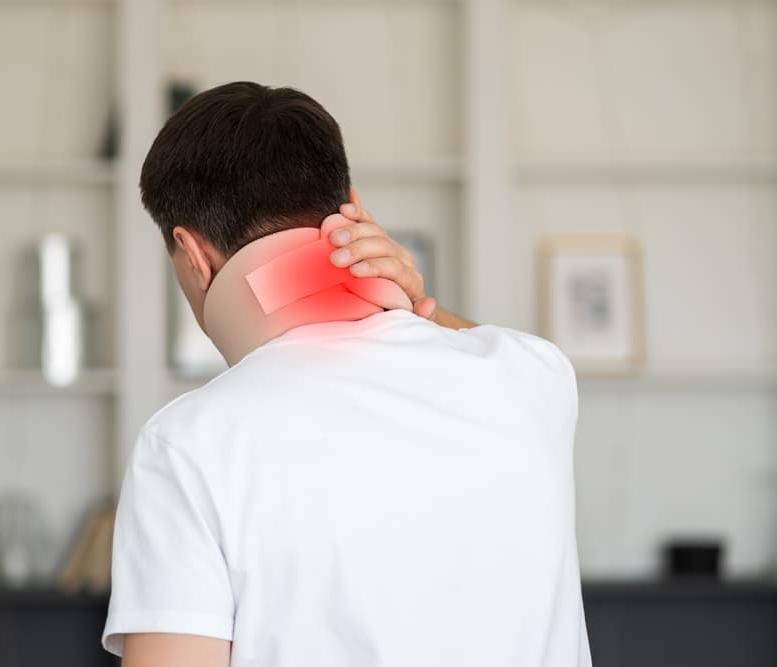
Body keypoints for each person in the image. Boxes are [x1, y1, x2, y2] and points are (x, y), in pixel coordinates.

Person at [103, 82, 591, 667]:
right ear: (354, 204)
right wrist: (415, 301)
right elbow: (492, 349)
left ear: (193, 255)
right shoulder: (536, 380)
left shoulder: (187, 444)